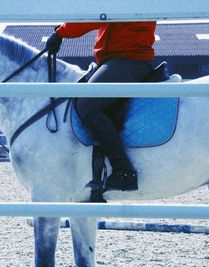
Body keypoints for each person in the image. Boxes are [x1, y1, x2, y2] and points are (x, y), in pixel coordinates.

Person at [46, 22, 157, 191]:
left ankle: (123, 171)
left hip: (128, 57)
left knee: (87, 104)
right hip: (117, 58)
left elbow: (98, 13)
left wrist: (61, 32)